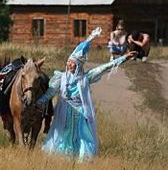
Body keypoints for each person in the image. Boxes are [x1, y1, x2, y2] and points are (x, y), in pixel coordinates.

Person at [36, 27, 137, 162]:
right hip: (64, 113)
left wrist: (123, 58)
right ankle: (62, 159)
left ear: (78, 65)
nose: (69, 64)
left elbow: (105, 67)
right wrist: (39, 102)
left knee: (83, 136)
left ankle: (82, 160)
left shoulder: (85, 78)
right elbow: (50, 93)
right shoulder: (61, 78)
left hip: (81, 113)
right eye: (68, 62)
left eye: (72, 63)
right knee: (63, 135)